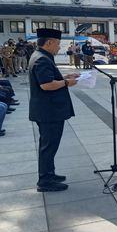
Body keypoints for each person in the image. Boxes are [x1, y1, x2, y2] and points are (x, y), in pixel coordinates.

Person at [29, 28, 79, 192]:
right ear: (49, 42)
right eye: (57, 44)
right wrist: (66, 83)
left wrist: (64, 77)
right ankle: (45, 180)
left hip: (47, 110)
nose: (59, 47)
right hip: (48, 112)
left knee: (49, 145)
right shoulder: (42, 59)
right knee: (48, 147)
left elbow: (49, 79)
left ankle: (49, 173)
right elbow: (46, 85)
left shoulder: (41, 56)